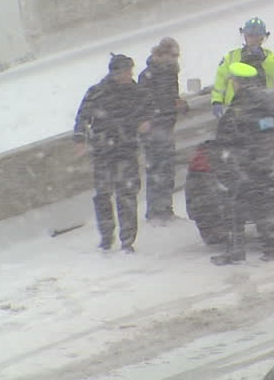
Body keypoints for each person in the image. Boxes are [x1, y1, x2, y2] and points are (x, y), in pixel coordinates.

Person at [74, 54, 152, 253]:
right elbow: (82, 117)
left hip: (126, 149)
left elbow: (149, 112)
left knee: (127, 195)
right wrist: (80, 139)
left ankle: (127, 240)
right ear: (115, 72)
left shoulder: (136, 92)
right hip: (103, 152)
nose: (129, 75)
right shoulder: (97, 92)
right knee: (103, 196)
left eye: (130, 71)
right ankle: (107, 236)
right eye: (126, 71)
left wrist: (146, 122)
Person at [210, 62, 274, 265]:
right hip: (257, 162)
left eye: (233, 80)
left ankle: (237, 250)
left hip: (245, 163)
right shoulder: (261, 100)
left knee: (235, 208)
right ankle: (270, 248)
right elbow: (268, 130)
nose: (232, 83)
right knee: (260, 207)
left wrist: (238, 150)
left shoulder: (244, 103)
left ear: (239, 82)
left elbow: (239, 132)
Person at [138, 37, 189, 225]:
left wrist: (180, 105)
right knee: (157, 170)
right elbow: (145, 103)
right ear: (163, 54)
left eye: (177, 55)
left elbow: (170, 98)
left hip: (166, 126)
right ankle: (155, 212)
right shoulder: (148, 75)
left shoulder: (170, 73)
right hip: (154, 129)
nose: (176, 59)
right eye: (173, 55)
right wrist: (154, 117)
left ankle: (165, 210)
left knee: (166, 170)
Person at [211, 17, 274, 118]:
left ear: (262, 38)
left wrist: (264, 59)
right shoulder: (231, 57)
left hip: (263, 106)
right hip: (236, 108)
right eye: (250, 36)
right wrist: (217, 101)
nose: (253, 40)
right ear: (245, 36)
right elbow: (220, 81)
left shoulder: (270, 56)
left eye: (257, 36)